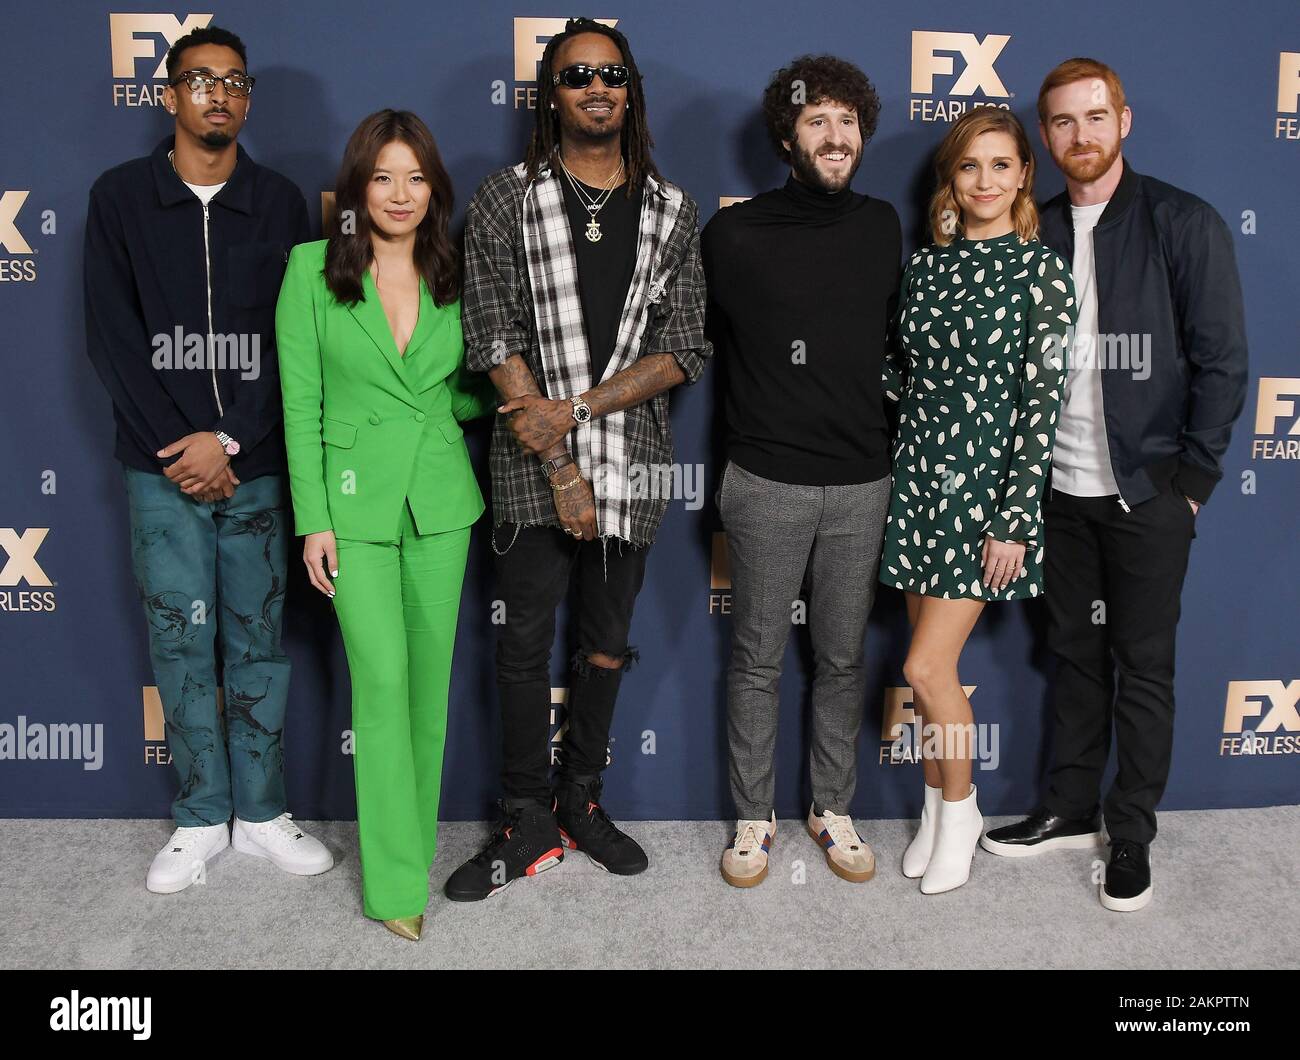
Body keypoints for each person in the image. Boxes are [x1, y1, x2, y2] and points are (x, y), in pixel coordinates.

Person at [451, 17, 710, 901]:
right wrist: (560, 459)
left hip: (633, 459)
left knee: (604, 646)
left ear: (629, 90)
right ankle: (524, 816)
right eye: (575, 76)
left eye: (610, 74)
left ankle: (582, 800)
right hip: (530, 464)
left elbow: (684, 349)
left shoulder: (674, 209)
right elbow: (488, 331)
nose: (595, 87)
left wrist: (583, 410)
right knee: (523, 645)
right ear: (550, 96)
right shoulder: (503, 198)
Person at [981, 59, 1248, 913]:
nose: (1080, 136)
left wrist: (1193, 482)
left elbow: (1223, 360)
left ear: (1122, 122)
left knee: (1144, 664)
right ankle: (1067, 804)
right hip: (1056, 494)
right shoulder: (1035, 228)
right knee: (1072, 655)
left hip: (1147, 494)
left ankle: (1130, 829)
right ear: (1045, 137)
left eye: (1096, 118)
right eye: (1062, 123)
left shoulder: (1182, 221)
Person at [84, 24, 330, 895]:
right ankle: (199, 815)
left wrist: (229, 440)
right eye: (200, 81)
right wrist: (183, 446)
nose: (217, 95)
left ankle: (260, 812)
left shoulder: (280, 201)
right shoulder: (119, 198)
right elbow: (114, 341)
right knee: (180, 641)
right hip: (161, 470)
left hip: (255, 462)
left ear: (248, 98)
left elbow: (294, 343)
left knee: (258, 641)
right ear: (169, 96)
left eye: (233, 82)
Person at [276, 110, 495, 940]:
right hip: (354, 506)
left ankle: (409, 856)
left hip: (440, 505)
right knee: (382, 684)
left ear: (433, 188)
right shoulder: (310, 271)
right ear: (356, 186)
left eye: (415, 178)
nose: (400, 194)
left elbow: (473, 387)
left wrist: (460, 406)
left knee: (428, 696)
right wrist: (314, 519)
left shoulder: (458, 271)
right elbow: (301, 403)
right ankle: (395, 883)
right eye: (383, 177)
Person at [702, 55, 897, 888]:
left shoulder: (886, 224)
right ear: (788, 135)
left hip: (863, 481)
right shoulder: (733, 234)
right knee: (756, 660)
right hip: (768, 481)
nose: (835, 135)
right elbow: (685, 344)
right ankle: (754, 816)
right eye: (817, 120)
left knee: (844, 659)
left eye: (847, 120)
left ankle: (831, 806)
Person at [881, 108, 1076, 895]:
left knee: (924, 665)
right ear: (950, 179)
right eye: (971, 167)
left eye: (1002, 166)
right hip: (920, 481)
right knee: (939, 678)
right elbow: (894, 370)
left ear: (1025, 176)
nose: (986, 181)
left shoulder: (1042, 272)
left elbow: (1044, 401)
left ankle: (961, 811)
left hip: (985, 495)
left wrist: (1016, 517)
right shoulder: (925, 267)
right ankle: (934, 811)